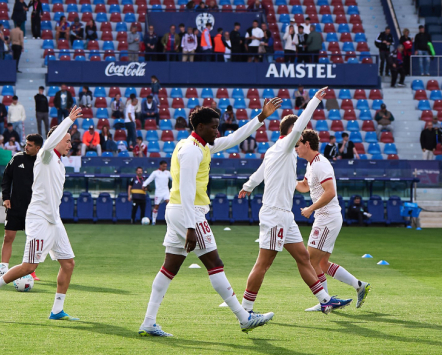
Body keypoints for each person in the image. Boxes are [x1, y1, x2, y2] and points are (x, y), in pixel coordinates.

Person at [138, 103, 281, 338]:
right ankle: (244, 318)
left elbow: (234, 138)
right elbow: (186, 190)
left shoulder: (199, 145)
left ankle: (148, 322)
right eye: (214, 127)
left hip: (178, 211)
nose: (217, 131)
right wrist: (191, 227)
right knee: (214, 263)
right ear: (200, 126)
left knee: (169, 267)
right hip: (189, 212)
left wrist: (261, 117)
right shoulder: (192, 151)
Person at [238, 91, 356, 315]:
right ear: (292, 131)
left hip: (285, 215)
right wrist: (315, 100)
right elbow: (301, 123)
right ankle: (246, 309)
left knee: (303, 257)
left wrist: (248, 186)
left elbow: (260, 172)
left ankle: (325, 300)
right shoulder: (284, 146)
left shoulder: (275, 150)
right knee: (264, 262)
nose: (302, 135)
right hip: (275, 214)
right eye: (299, 131)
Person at [0, 105, 85, 321]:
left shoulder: (59, 163)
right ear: (56, 140)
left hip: (54, 220)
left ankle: (57, 310)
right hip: (39, 219)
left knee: (68, 264)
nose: (70, 144)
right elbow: (50, 142)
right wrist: (69, 120)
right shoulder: (45, 156)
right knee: (29, 266)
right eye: (67, 141)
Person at [294, 119, 371, 313]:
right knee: (322, 263)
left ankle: (325, 301)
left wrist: (311, 208)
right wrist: (287, 180)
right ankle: (359, 286)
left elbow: (330, 192)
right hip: (328, 218)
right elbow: (304, 186)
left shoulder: (320, 164)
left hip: (326, 218)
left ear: (307, 144)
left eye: (298, 144)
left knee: (310, 260)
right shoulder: (312, 165)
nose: (295, 148)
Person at [0, 134, 41, 264]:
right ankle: (3, 269)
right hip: (15, 206)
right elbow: (6, 178)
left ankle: (30, 270)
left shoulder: (42, 162)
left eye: (30, 145)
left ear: (38, 148)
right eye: (26, 144)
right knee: (8, 237)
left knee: (33, 241)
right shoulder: (17, 158)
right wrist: (6, 197)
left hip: (34, 207)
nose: (26, 147)